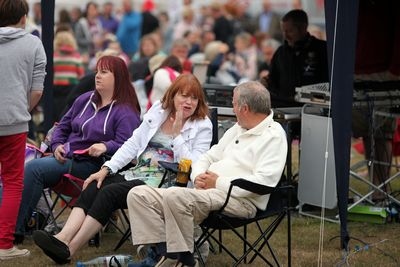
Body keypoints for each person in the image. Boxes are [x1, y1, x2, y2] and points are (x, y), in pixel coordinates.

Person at [32, 73, 213, 265]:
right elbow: (133, 143)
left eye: (194, 98)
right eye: (184, 95)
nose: (189, 101)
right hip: (140, 171)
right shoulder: (159, 111)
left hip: (167, 181)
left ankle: (70, 249)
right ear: (173, 95)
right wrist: (107, 168)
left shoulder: (202, 125)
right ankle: (62, 238)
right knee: (96, 184)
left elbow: (193, 164)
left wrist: (177, 134)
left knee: (109, 193)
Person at [126, 81, 288, 267]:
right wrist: (198, 177)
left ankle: (182, 260)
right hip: (207, 191)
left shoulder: (273, 137)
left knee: (175, 195)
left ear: (244, 108)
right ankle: (165, 254)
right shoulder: (238, 128)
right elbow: (208, 156)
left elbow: (264, 183)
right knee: (138, 195)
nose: (232, 108)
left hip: (239, 201)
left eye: (233, 104)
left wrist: (218, 183)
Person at [14, 56, 141, 245]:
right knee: (30, 167)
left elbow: (129, 145)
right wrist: (56, 146)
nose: (97, 76)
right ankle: (16, 226)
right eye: (97, 71)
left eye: (104, 72)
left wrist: (106, 146)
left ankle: (14, 231)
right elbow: (62, 127)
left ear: (118, 77)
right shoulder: (84, 99)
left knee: (34, 168)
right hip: (67, 158)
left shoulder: (126, 111)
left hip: (96, 166)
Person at [0, 0, 46, 260]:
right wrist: (22, 109)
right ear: (23, 17)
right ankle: (4, 244)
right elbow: (37, 90)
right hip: (14, 122)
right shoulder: (33, 44)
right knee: (12, 183)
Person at [267, 9, 329, 107]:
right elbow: (272, 80)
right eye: (284, 31)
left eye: (290, 31)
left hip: (314, 109)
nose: (286, 36)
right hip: (285, 109)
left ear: (303, 28)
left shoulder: (322, 49)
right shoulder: (280, 52)